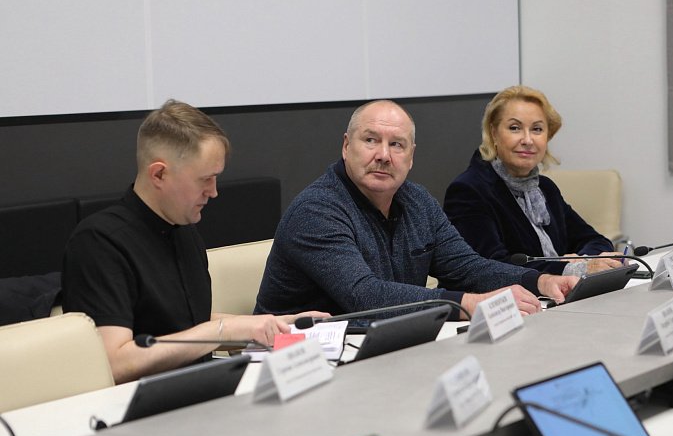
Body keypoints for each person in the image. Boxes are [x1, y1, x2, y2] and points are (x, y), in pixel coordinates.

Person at [62, 100, 325, 384]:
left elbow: (183, 322)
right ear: (159, 174)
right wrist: (223, 331)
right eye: (205, 179)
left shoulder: (183, 230)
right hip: (141, 401)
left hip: (199, 386)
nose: (213, 192)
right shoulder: (100, 242)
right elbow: (113, 363)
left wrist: (268, 326)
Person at [254, 100, 577, 319]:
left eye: (396, 145)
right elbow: (365, 296)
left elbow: (467, 267)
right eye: (370, 140)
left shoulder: (417, 200)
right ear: (346, 146)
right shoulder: (316, 210)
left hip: (381, 348)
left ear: (411, 157)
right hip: (294, 362)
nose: (383, 155)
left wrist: (540, 281)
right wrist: (468, 303)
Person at [443, 85, 621, 277]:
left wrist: (586, 261)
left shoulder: (545, 188)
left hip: (558, 293)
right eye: (515, 128)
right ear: (493, 133)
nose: (528, 140)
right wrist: (570, 269)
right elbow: (491, 267)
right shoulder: (469, 190)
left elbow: (596, 240)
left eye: (537, 129)